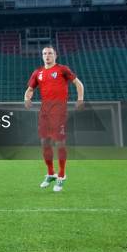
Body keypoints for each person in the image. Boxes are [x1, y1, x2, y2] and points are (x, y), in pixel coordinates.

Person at [24, 46, 84, 192]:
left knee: (59, 142)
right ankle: (51, 173)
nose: (47, 56)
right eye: (44, 53)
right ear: (42, 56)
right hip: (45, 112)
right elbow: (30, 89)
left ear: (55, 55)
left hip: (59, 111)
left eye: (50, 53)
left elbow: (78, 83)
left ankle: (62, 175)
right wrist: (26, 98)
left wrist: (80, 99)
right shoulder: (38, 73)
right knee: (45, 142)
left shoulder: (62, 69)